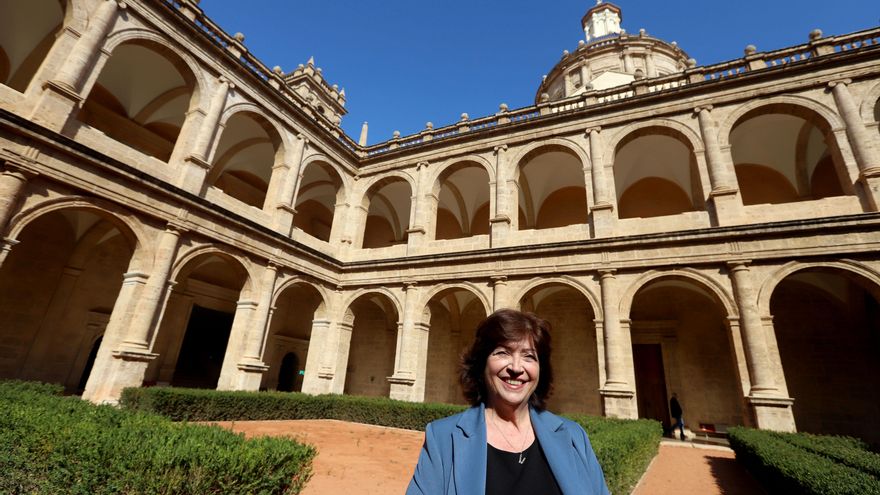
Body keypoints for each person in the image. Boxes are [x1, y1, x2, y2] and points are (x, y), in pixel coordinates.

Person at [407, 309, 609, 495]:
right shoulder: (442, 438)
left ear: (540, 370)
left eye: (529, 356)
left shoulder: (574, 436)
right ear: (482, 363)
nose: (516, 367)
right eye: (502, 352)